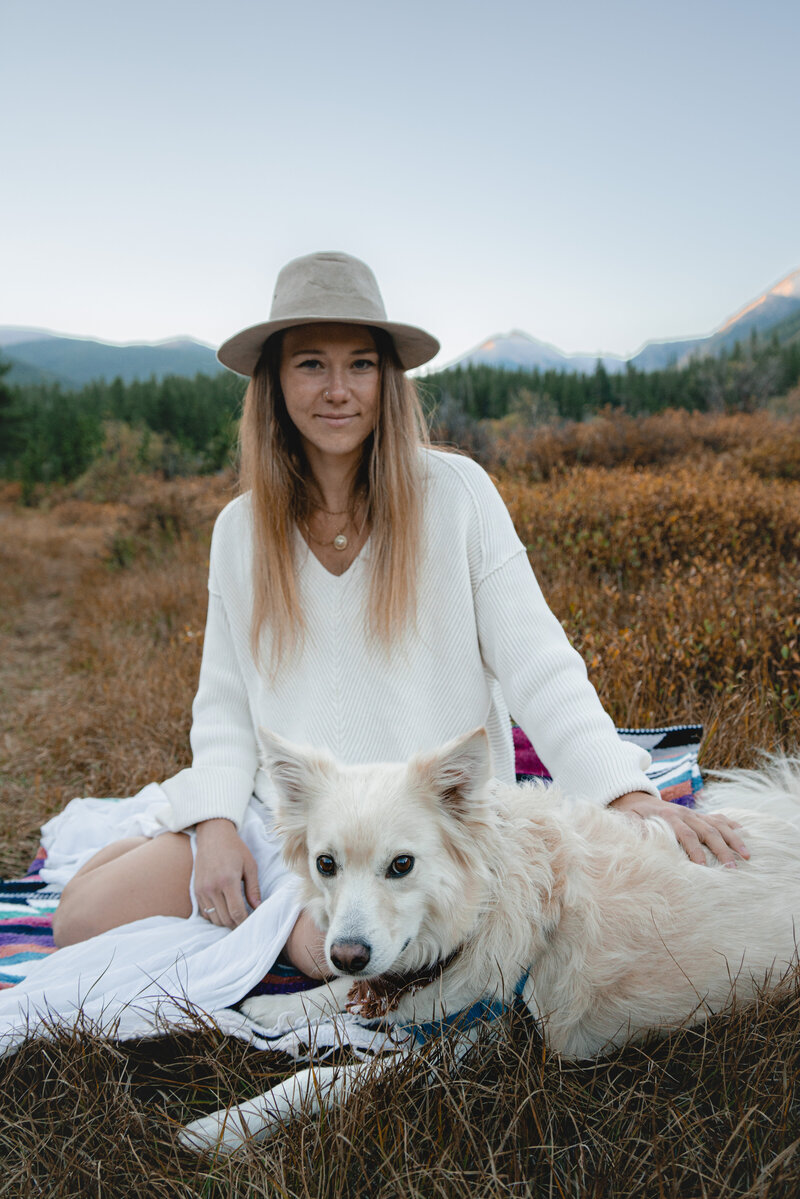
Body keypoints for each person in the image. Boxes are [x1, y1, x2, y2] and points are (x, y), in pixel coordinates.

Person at [51, 251, 748, 969]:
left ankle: (277, 931)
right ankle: (233, 881)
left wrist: (625, 794)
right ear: (274, 382)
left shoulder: (458, 494)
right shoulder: (239, 528)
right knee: (79, 916)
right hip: (301, 823)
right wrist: (218, 822)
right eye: (311, 364)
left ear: (388, 378)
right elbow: (225, 705)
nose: (338, 390)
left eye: (360, 364)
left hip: (421, 833)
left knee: (351, 956)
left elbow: (539, 664)